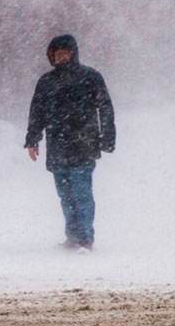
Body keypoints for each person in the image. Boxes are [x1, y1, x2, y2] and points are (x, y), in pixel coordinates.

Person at [25, 34, 115, 253]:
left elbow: (105, 107)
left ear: (73, 53)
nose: (61, 57)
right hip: (57, 146)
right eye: (56, 54)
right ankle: (73, 237)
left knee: (82, 192)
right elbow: (37, 111)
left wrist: (108, 137)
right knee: (65, 196)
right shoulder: (46, 82)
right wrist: (33, 139)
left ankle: (85, 239)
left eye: (65, 53)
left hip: (84, 144)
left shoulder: (90, 77)